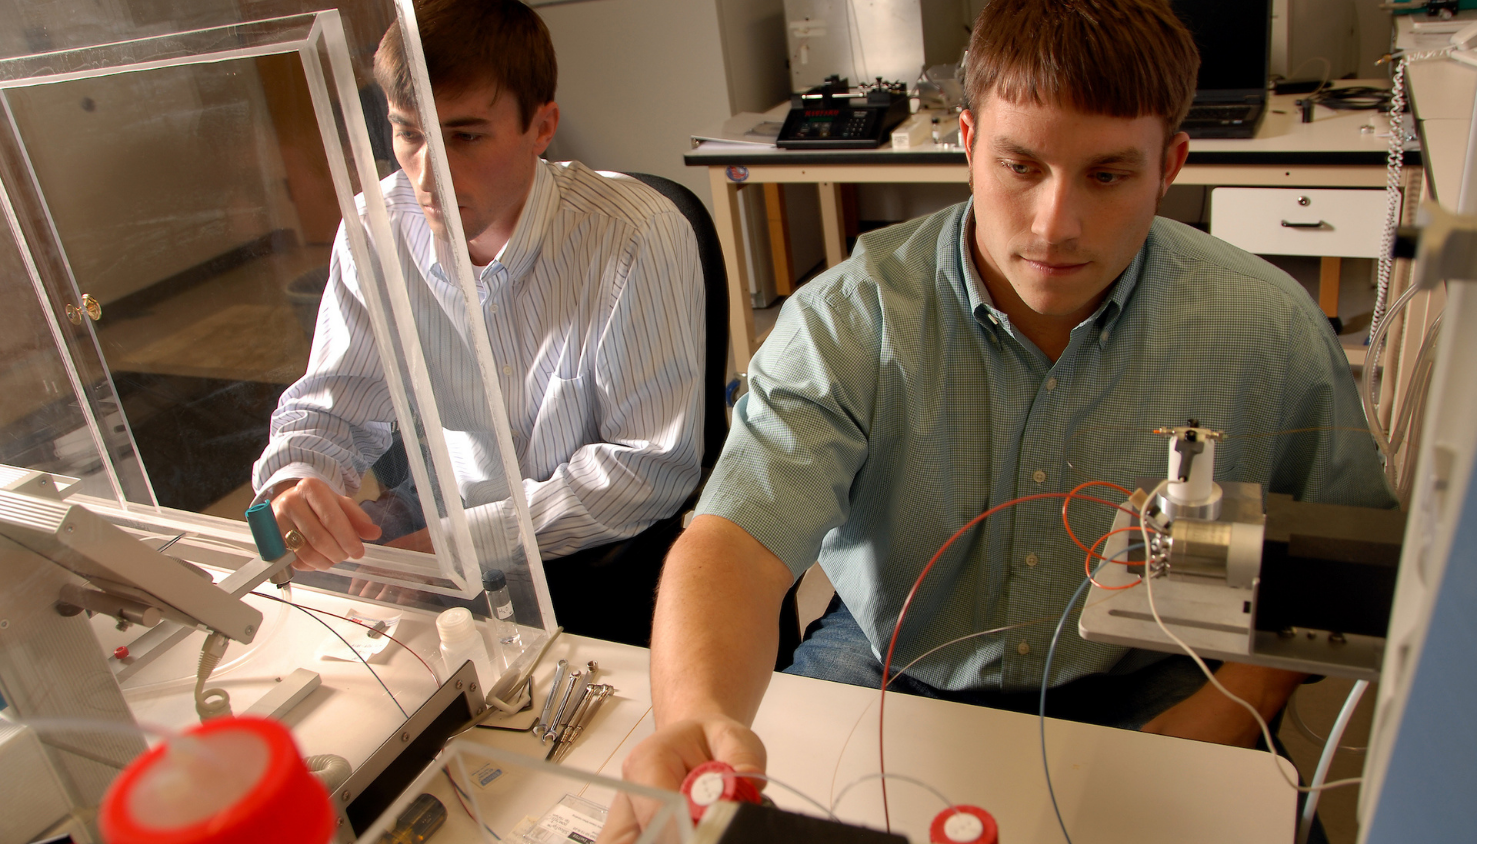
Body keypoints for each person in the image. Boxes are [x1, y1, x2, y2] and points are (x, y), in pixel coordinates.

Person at [607, 0, 1393, 831]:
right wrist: (694, 719)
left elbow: (1329, 569)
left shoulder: (1264, 327)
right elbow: (735, 541)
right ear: (969, 142)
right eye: (1021, 167)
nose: (1056, 226)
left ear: (1172, 165)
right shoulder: (850, 320)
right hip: (898, 660)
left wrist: (1244, 697)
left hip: (1153, 673)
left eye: (1108, 174)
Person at [251, 0, 705, 645]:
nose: (428, 177)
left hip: (587, 548)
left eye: (464, 137)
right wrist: (301, 483)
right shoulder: (372, 230)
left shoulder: (636, 235)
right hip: (435, 521)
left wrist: (449, 549)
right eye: (409, 134)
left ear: (542, 126)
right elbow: (329, 411)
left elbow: (648, 467)